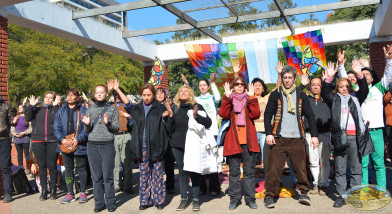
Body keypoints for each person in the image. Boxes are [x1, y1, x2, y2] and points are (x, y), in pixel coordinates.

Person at [264, 66, 319, 208]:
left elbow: (310, 116)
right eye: (285, 78)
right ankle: (270, 195)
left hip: (297, 138)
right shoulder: (275, 94)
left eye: (289, 78)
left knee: (300, 168)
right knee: (274, 168)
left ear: (294, 79)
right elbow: (267, 114)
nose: (287, 80)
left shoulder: (301, 94)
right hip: (279, 138)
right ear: (282, 78)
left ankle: (304, 193)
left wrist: (314, 136)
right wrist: (269, 133)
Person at [337, 46, 392, 189]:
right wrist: (341, 65)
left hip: (377, 132)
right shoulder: (356, 91)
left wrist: (389, 59)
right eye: (363, 74)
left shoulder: (379, 88)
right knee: (364, 164)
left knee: (379, 163)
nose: (365, 75)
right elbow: (344, 81)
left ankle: (381, 191)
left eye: (367, 74)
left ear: (372, 77)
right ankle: (364, 191)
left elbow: (388, 75)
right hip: (362, 133)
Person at [321, 61, 373, 207]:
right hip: (339, 139)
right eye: (341, 87)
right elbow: (325, 93)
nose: (344, 89)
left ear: (350, 88)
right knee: (340, 169)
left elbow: (364, 90)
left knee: (356, 169)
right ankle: (341, 195)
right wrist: (329, 78)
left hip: (356, 138)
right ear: (337, 89)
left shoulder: (356, 99)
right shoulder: (334, 99)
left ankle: (355, 195)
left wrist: (359, 75)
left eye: (346, 87)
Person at [165, 85, 211, 211]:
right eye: (181, 91)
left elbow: (209, 123)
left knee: (194, 171)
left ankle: (196, 199)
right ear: (178, 94)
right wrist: (170, 115)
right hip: (177, 145)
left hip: (193, 145)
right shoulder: (175, 108)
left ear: (190, 93)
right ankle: (184, 199)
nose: (183, 93)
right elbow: (169, 129)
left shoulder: (197, 106)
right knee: (182, 172)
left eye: (186, 91)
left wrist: (197, 116)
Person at [218, 77, 260, 210]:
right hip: (233, 142)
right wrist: (227, 97)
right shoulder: (229, 101)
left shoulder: (250, 100)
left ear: (245, 87)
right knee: (234, 173)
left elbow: (256, 114)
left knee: (249, 172)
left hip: (248, 142)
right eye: (237, 84)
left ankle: (250, 199)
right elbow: (223, 114)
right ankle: (235, 199)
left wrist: (252, 96)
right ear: (233, 87)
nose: (240, 86)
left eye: (242, 84)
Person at [130, 83, 168, 210]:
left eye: (149, 95)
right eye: (144, 95)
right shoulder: (137, 108)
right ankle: (145, 200)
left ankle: (159, 200)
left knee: (157, 174)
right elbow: (132, 126)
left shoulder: (159, 108)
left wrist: (166, 117)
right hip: (142, 147)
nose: (146, 97)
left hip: (156, 145)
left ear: (153, 95)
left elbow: (165, 127)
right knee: (144, 175)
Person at [82, 85, 119, 213]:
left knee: (107, 176)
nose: (99, 94)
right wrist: (86, 125)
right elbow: (87, 131)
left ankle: (110, 202)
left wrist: (108, 123)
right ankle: (99, 203)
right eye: (97, 92)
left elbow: (116, 128)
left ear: (106, 94)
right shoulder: (90, 109)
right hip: (92, 145)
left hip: (107, 144)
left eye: (101, 92)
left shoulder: (112, 109)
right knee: (96, 176)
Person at [54, 89, 89, 204]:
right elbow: (56, 128)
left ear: (77, 97)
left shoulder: (83, 109)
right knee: (68, 170)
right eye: (68, 95)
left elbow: (88, 128)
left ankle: (83, 192)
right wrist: (62, 139)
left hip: (79, 144)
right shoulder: (61, 110)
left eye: (72, 95)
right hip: (65, 144)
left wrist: (78, 139)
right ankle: (70, 193)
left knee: (82, 168)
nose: (69, 97)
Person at [300, 75, 332, 196]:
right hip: (310, 134)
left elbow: (334, 87)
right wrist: (302, 85)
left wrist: (329, 79)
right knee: (313, 161)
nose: (316, 87)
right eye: (313, 85)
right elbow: (295, 94)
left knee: (324, 161)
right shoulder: (306, 99)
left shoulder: (328, 99)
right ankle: (316, 184)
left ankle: (324, 184)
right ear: (310, 86)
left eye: (318, 85)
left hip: (325, 133)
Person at [25, 92, 60, 200]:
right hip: (38, 140)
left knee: (52, 165)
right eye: (46, 97)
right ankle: (44, 190)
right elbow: (28, 117)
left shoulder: (55, 109)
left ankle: (53, 190)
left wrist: (55, 105)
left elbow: (59, 118)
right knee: (42, 166)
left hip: (52, 140)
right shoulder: (37, 109)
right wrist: (31, 106)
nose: (48, 99)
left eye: (50, 98)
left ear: (53, 100)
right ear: (43, 98)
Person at [251, 61, 283, 174]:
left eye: (260, 85)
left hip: (265, 132)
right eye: (255, 85)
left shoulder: (267, 98)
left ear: (263, 88)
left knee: (267, 159)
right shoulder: (249, 99)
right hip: (252, 133)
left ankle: (267, 181)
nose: (258, 87)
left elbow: (278, 87)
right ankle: (251, 182)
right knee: (252, 160)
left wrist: (279, 74)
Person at [195, 73, 221, 196]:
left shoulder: (212, 98)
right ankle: (201, 187)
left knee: (212, 160)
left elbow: (218, 98)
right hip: (200, 134)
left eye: (204, 85)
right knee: (201, 160)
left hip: (212, 133)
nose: (202, 87)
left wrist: (213, 83)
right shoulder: (196, 100)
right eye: (200, 86)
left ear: (208, 87)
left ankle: (214, 187)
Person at [107, 79, 134, 194]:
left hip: (125, 135)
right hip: (113, 136)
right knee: (115, 163)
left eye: (119, 94)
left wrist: (117, 88)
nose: (117, 96)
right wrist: (108, 90)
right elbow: (98, 102)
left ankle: (128, 185)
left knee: (126, 162)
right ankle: (117, 185)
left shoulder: (126, 106)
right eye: (115, 94)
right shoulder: (109, 105)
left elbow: (128, 103)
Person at [156, 87, 175, 194]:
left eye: (161, 93)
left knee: (169, 164)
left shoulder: (170, 106)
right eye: (157, 93)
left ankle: (170, 185)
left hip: (167, 138)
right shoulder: (152, 107)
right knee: (157, 164)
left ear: (165, 95)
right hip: (156, 138)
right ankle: (159, 186)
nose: (159, 95)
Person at [0, 96, 16, 203]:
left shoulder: (6, 105)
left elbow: (11, 121)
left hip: (4, 139)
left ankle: (8, 193)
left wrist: (14, 121)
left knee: (5, 167)